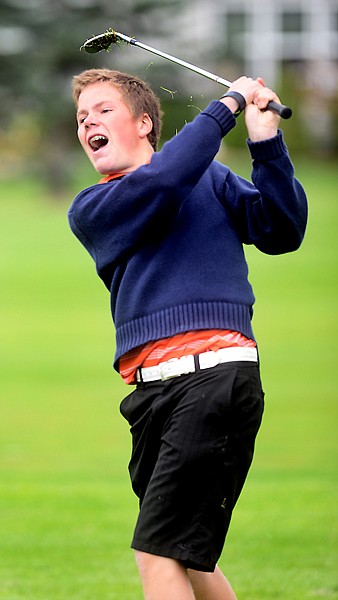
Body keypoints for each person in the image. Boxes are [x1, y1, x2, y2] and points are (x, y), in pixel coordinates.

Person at [68, 68, 307, 600]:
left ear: (145, 123)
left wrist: (265, 142)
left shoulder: (210, 179)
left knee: (157, 551)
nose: (89, 124)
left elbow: (282, 229)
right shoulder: (94, 207)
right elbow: (162, 182)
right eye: (82, 118)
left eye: (103, 110)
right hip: (151, 397)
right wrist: (227, 106)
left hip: (215, 380)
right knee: (187, 556)